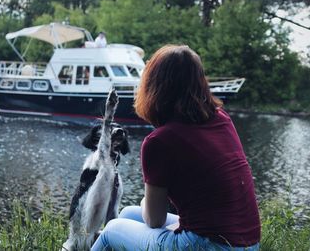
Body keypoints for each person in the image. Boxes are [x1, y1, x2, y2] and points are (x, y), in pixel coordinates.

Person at [91, 45, 261, 250]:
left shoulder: (160, 141)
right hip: (248, 245)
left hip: (211, 245)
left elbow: (155, 220)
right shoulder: (221, 118)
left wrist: (147, 201)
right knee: (128, 214)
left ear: (154, 86)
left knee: (111, 231)